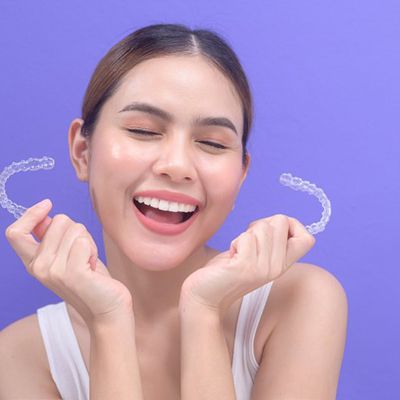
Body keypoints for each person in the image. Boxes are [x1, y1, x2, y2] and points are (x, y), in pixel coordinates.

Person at [0, 23, 348, 400]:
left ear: (241, 173)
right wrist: (109, 324)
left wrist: (203, 312)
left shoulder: (301, 300)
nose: (177, 164)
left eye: (212, 143)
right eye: (143, 131)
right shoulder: (18, 358)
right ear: (82, 152)